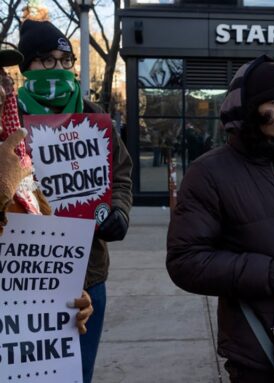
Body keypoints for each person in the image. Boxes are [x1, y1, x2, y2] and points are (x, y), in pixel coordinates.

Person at [167, 55, 274, 382]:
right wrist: (273, 274)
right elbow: (185, 262)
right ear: (247, 111)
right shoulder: (208, 173)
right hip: (257, 349)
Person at [16, 19, 133, 383]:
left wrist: (119, 212)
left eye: (64, 59)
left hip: (88, 272)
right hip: (24, 274)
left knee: (77, 374)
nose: (59, 68)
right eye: (47, 60)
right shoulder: (10, 119)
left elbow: (122, 174)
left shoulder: (95, 116)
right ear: (27, 67)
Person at [0, 45, 93, 334]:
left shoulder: (15, 159)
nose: (2, 92)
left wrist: (66, 297)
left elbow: (37, 257)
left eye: (1, 78)